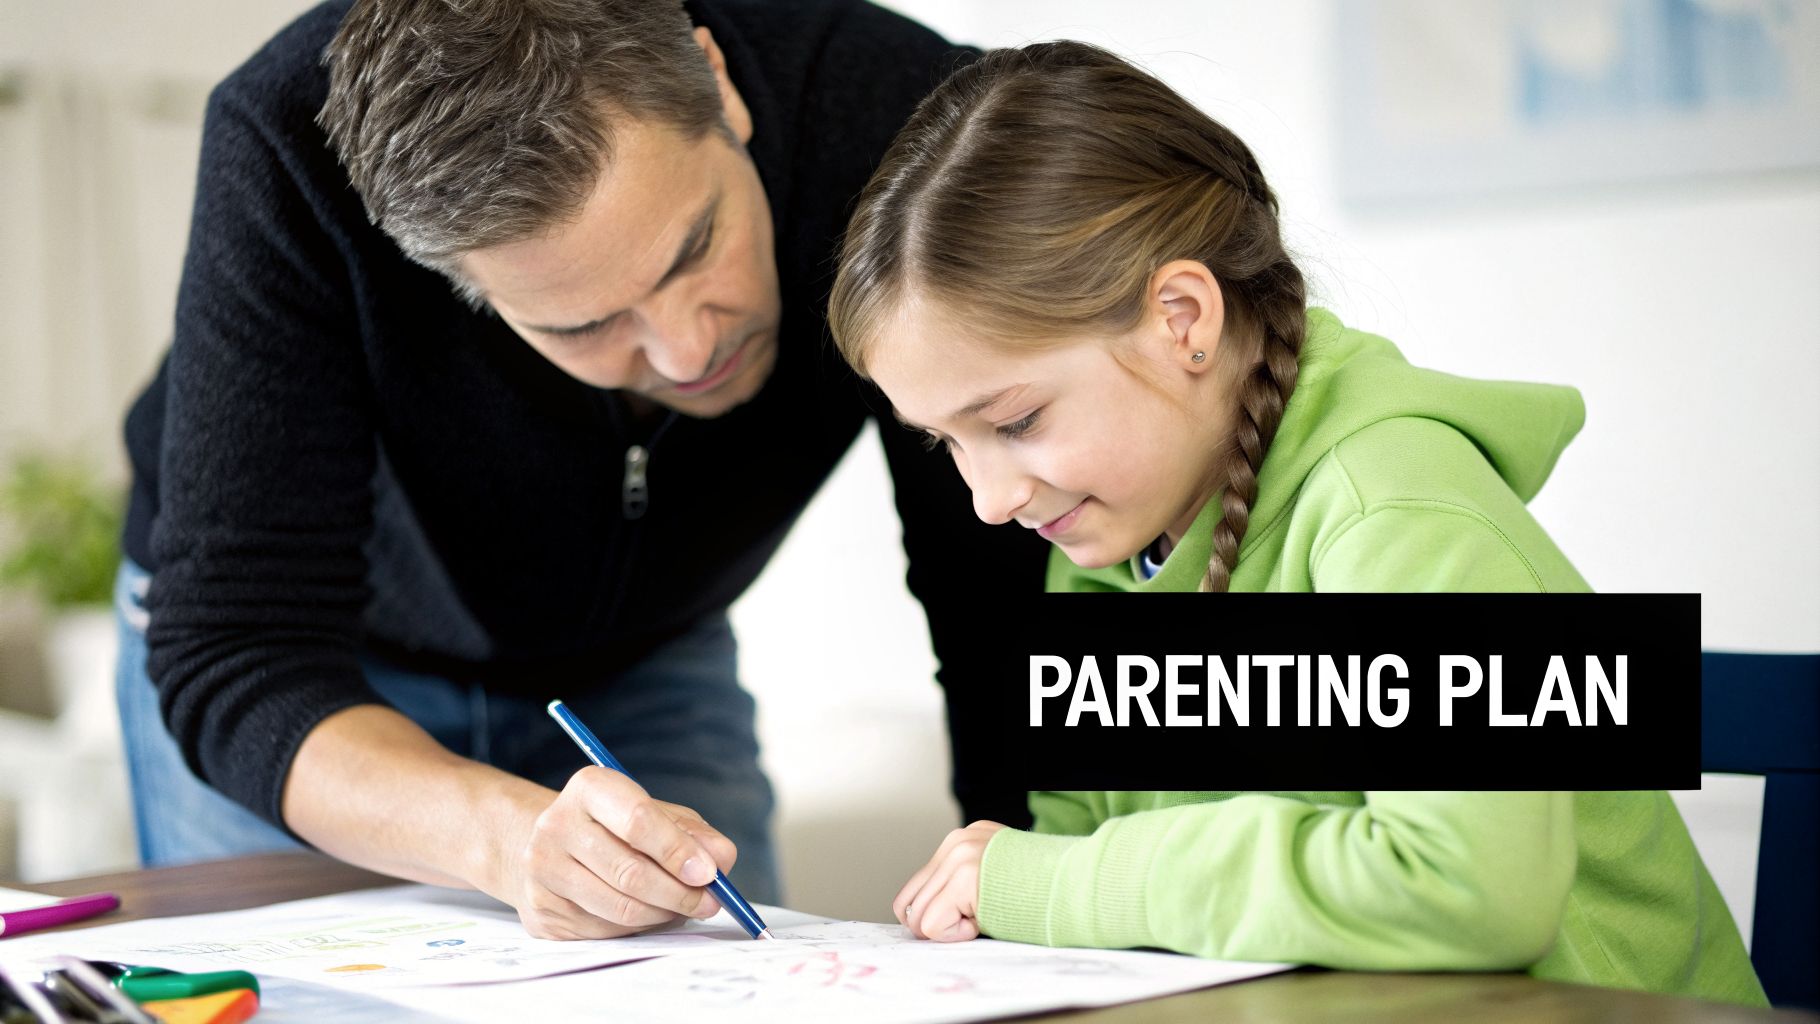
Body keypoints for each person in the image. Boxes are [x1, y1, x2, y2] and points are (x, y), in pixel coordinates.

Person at [825, 41, 1766, 1005]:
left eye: (1016, 421)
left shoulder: (1396, 506)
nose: (988, 500)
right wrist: (1023, 888)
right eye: (947, 443)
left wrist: (1070, 883)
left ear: (1183, 318)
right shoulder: (1106, 548)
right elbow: (1075, 869)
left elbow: (1471, 889)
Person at [116, 0, 1046, 941]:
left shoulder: (905, 111)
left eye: (696, 246)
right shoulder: (287, 147)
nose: (687, 355)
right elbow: (239, 649)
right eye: (585, 326)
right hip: (319, 695)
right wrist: (499, 837)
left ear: (717, 83)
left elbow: (1000, 580)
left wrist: (1035, 899)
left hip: (646, 654)